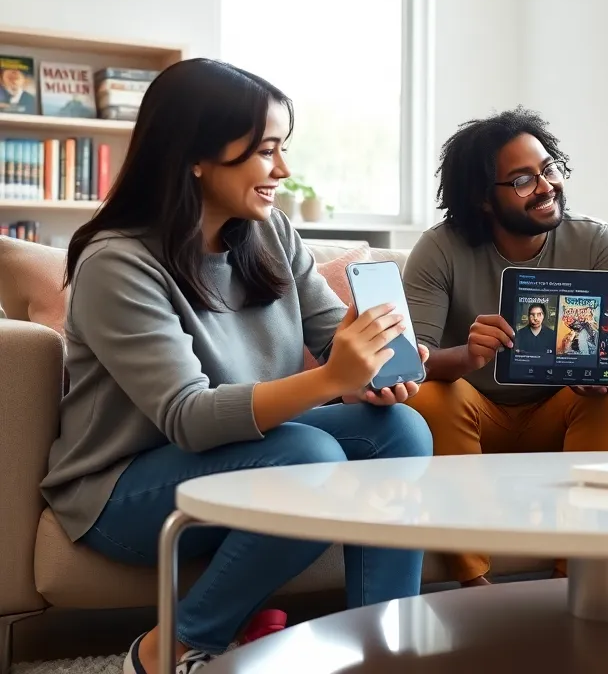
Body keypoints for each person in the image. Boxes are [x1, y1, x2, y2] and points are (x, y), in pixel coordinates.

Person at [39, 58, 434, 674]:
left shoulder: (269, 230)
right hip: (123, 491)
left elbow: (331, 333)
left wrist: (376, 364)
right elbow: (188, 418)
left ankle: (380, 648)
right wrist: (333, 380)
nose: (283, 170)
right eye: (265, 151)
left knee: (401, 431)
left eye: (282, 148)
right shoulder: (118, 263)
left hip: (248, 458)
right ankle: (168, 648)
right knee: (309, 458)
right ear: (195, 155)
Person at [403, 107, 608, 584]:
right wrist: (466, 356)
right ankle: (472, 578)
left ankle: (574, 573)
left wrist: (598, 376)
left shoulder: (594, 243)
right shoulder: (439, 250)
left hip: (556, 415)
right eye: (524, 180)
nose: (547, 186)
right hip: (475, 419)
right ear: (484, 199)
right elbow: (409, 364)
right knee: (431, 395)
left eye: (549, 169)